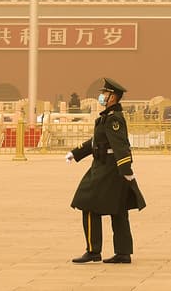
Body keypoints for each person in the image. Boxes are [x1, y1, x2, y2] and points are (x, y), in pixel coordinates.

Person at [68, 77, 147, 265]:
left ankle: (93, 251)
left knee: (87, 203)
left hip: (107, 169)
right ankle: (123, 253)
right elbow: (97, 142)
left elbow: (120, 145)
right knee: (118, 209)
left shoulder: (113, 119)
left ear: (113, 97)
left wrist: (126, 169)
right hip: (109, 167)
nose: (102, 96)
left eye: (105, 93)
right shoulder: (108, 117)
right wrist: (76, 153)